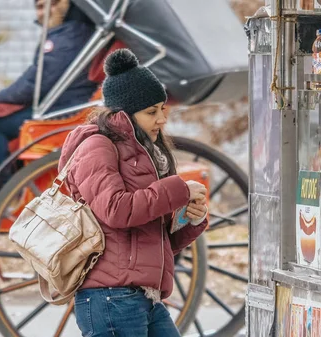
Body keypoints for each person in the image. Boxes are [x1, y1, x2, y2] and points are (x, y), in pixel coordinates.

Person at [58, 49, 209, 337]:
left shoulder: (146, 154)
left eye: (162, 109)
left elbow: (150, 243)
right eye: (151, 112)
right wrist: (178, 189)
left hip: (143, 296)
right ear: (123, 114)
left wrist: (190, 220)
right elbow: (117, 210)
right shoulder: (97, 146)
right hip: (110, 297)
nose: (162, 119)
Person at [0, 0, 97, 186]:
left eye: (52, 4)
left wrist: (0, 97)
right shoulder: (75, 32)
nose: (45, 12)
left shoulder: (64, 39)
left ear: (65, 6)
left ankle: (5, 190)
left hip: (64, 111)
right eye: (40, 7)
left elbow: (35, 83)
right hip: (69, 104)